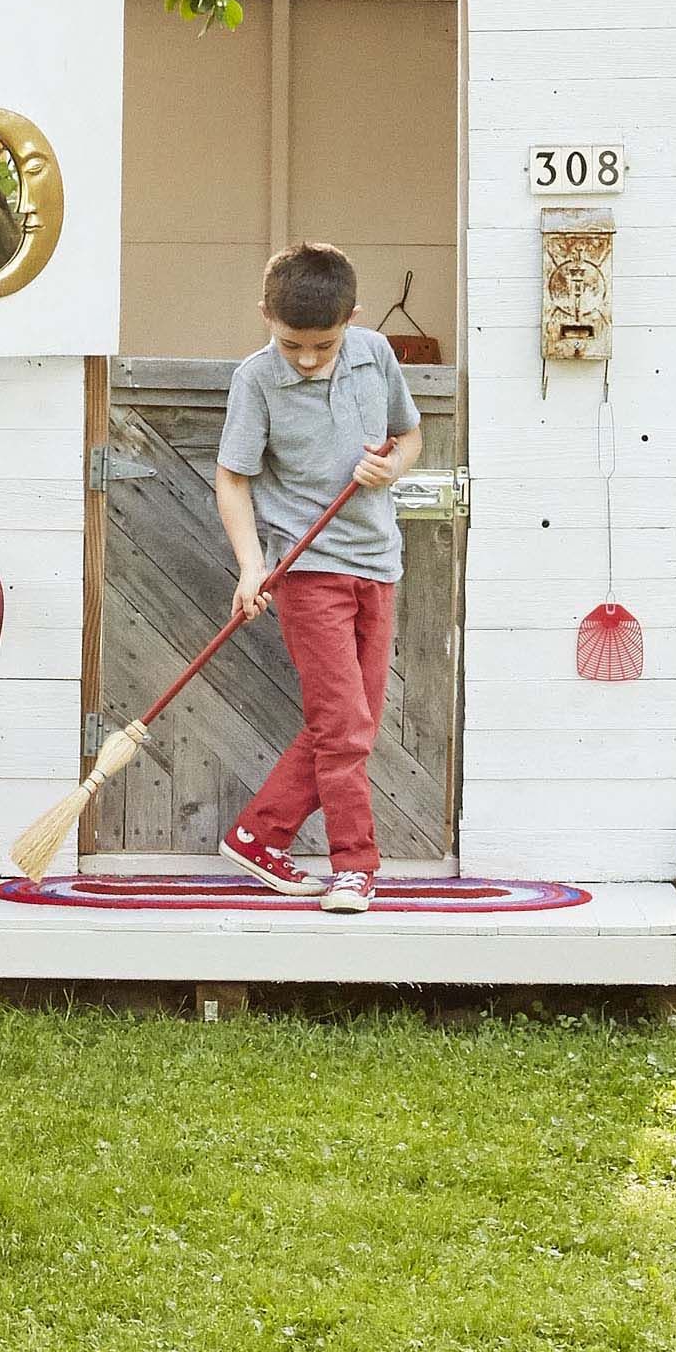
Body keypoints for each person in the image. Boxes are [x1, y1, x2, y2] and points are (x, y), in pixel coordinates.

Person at [211, 243, 425, 913]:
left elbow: (409, 435)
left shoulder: (376, 355)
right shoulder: (256, 379)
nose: (305, 357)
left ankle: (258, 834)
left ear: (352, 319)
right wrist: (252, 564)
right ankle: (355, 865)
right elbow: (232, 477)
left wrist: (393, 467)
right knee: (342, 727)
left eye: (321, 344)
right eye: (291, 343)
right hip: (308, 571)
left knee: (348, 723)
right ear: (266, 317)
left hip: (377, 563)